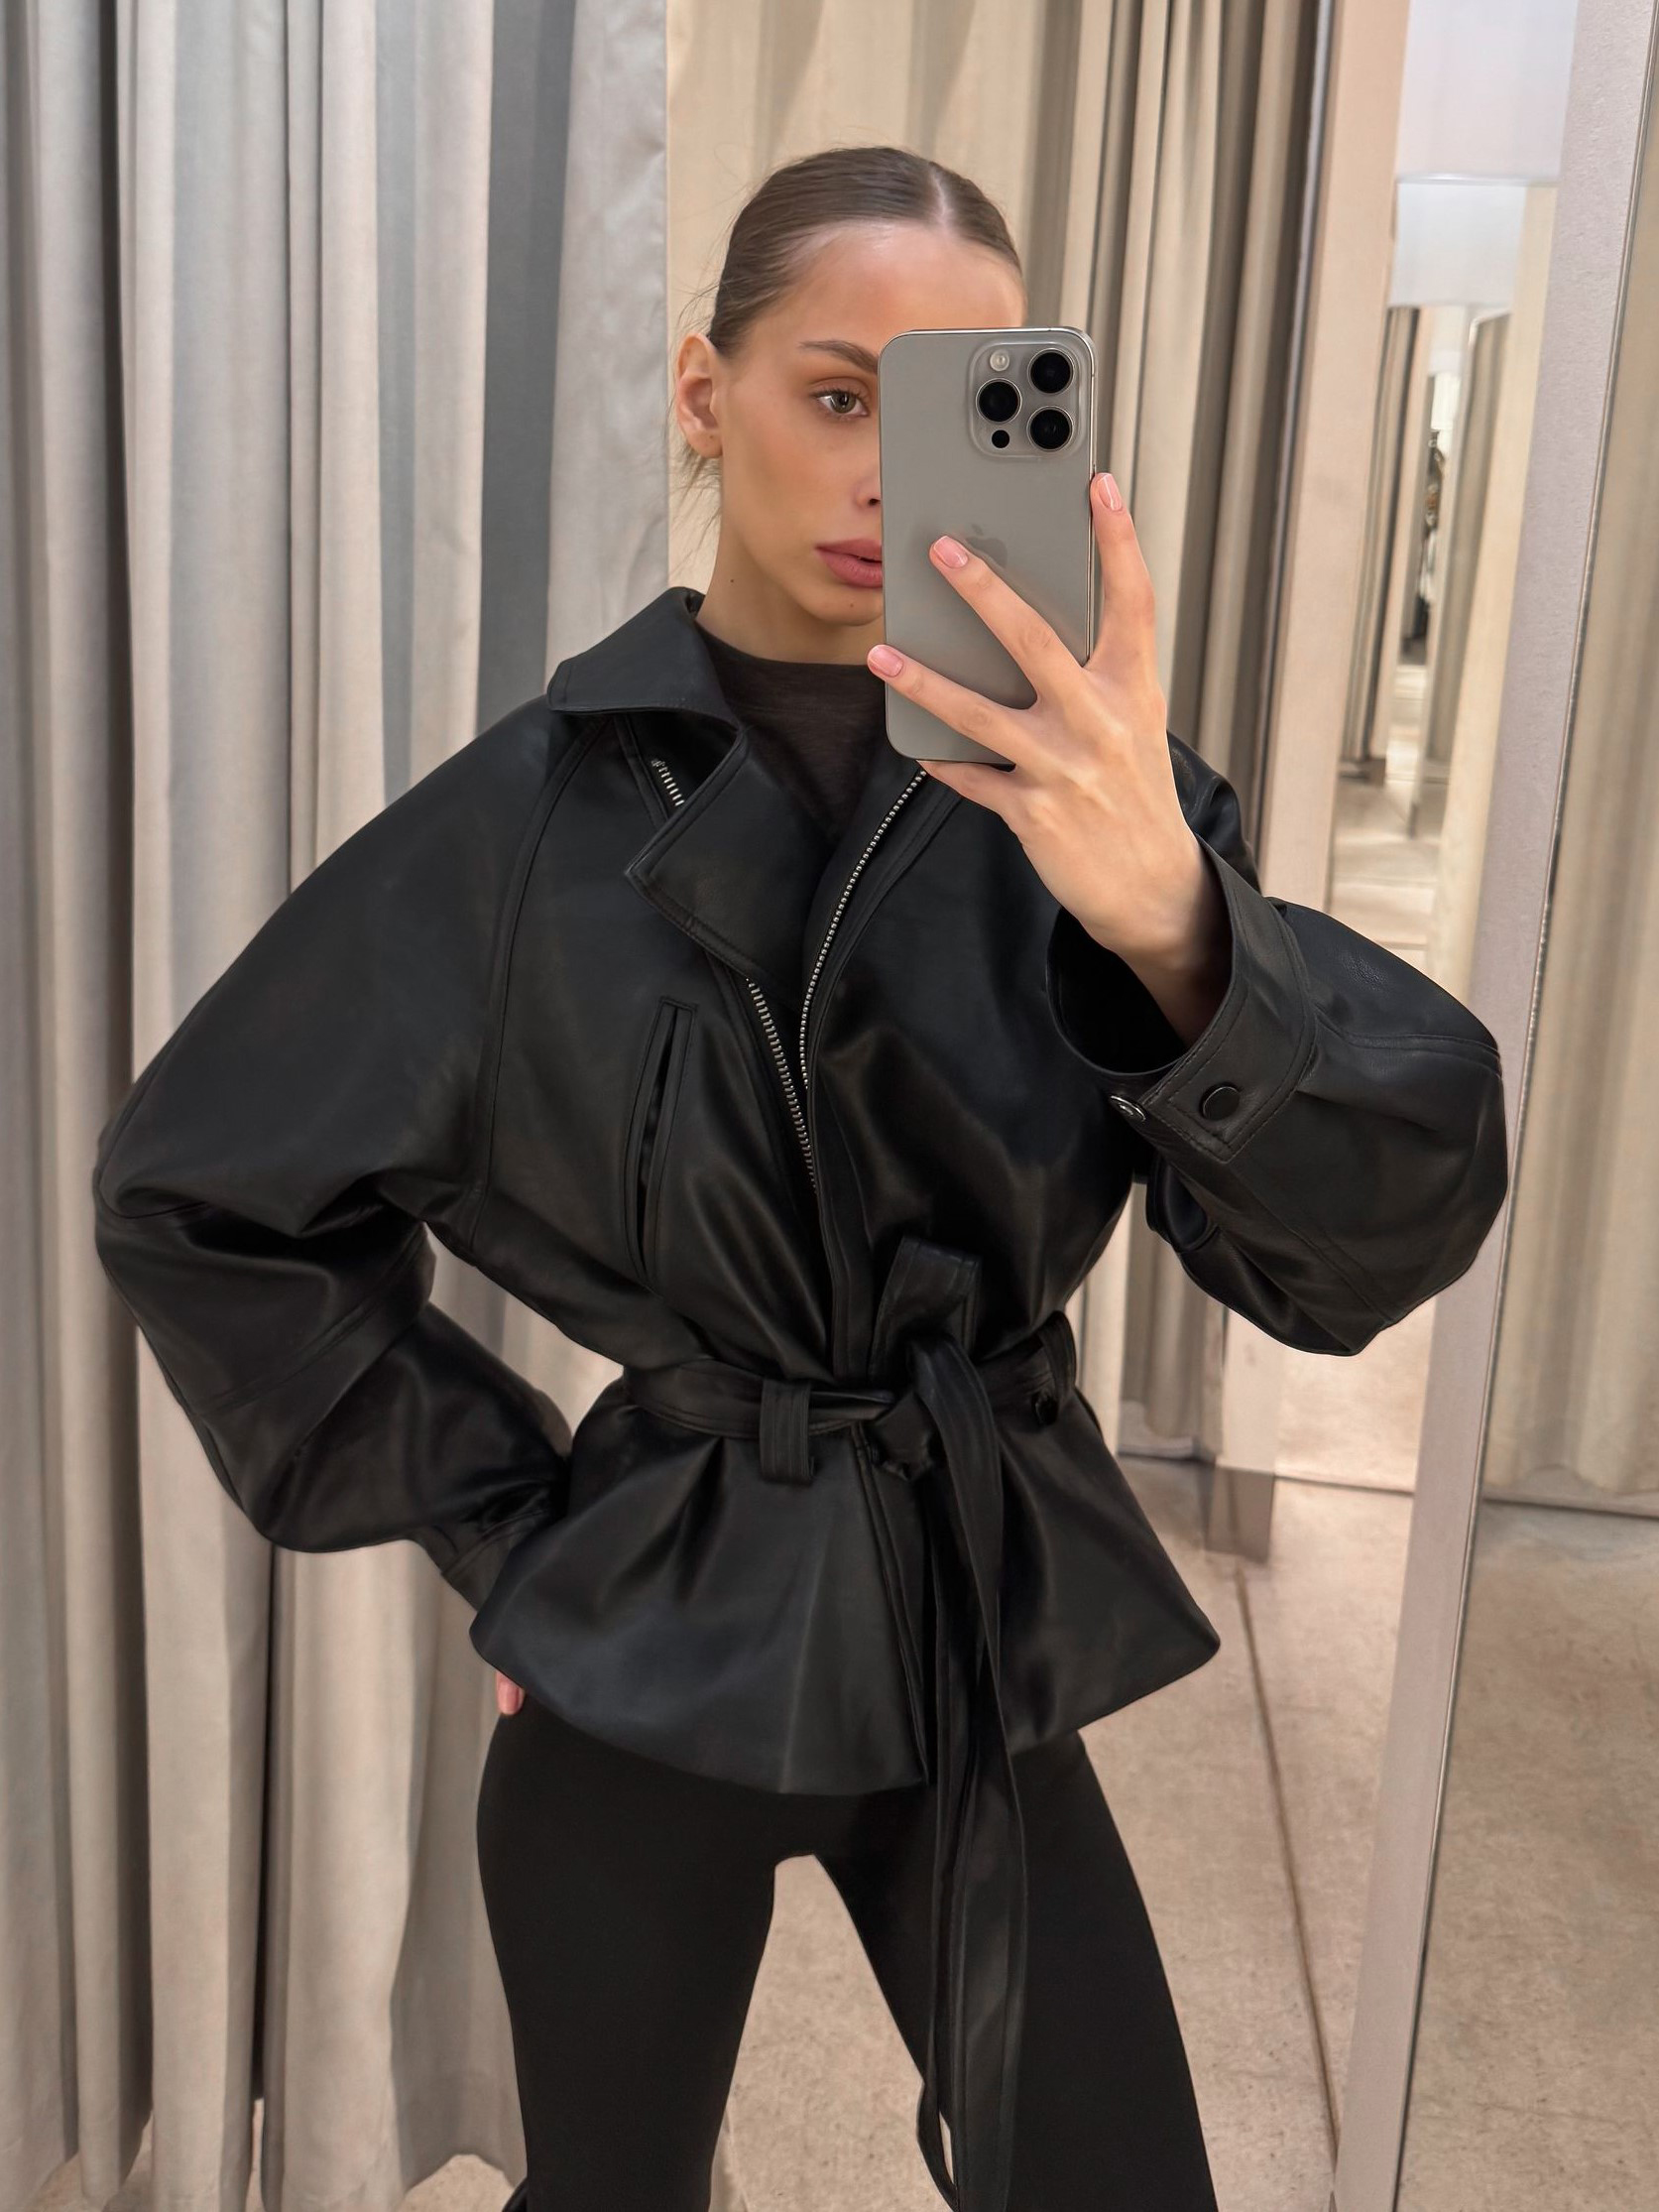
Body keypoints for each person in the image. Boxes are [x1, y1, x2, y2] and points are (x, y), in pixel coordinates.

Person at [92, 145, 1511, 2212]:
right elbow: (201, 1192)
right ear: (705, 391)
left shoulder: (1098, 800)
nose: (882, 473)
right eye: (838, 393)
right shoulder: (528, 822)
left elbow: (1359, 1246)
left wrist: (1175, 925)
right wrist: (514, 1525)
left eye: (956, 412)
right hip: (665, 1614)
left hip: (971, 1599)